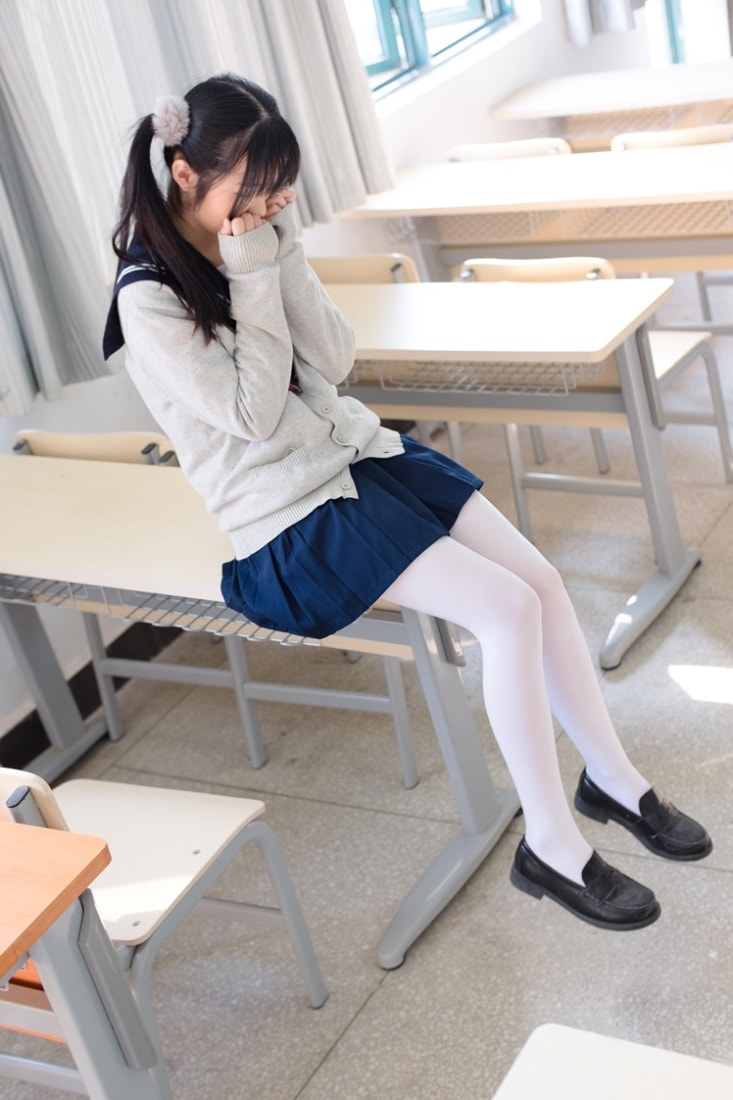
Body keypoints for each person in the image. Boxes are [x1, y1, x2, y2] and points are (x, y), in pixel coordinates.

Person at [104, 73, 712, 932]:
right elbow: (254, 413)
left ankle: (612, 780)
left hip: (358, 456)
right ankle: (550, 847)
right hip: (290, 515)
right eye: (258, 187)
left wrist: (275, 252)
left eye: (282, 185)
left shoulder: (260, 234)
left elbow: (334, 357)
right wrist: (250, 269)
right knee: (504, 611)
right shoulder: (147, 297)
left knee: (541, 584)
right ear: (184, 173)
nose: (275, 202)